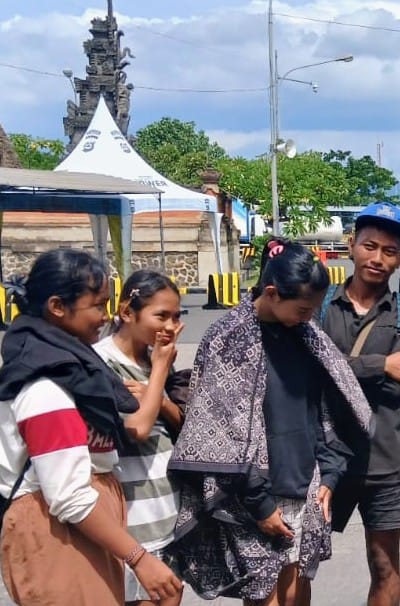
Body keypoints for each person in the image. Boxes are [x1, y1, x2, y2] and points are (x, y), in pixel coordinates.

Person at [168, 238, 371, 605]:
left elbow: (324, 409)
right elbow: (219, 432)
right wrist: (260, 506)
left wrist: (330, 472)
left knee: (297, 592)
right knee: (264, 598)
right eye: (303, 309)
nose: (308, 317)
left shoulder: (308, 338)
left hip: (303, 483)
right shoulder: (229, 339)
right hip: (251, 493)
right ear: (273, 293)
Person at [0, 249, 182, 605]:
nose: (105, 317)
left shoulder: (73, 370)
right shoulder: (46, 388)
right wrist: (140, 559)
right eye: (97, 306)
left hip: (83, 530)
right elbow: (68, 496)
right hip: (58, 532)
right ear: (57, 307)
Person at [319, 203, 400, 606]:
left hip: (385, 461)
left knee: (385, 568)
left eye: (389, 251)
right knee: (295, 564)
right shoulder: (319, 304)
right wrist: (382, 364)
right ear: (351, 246)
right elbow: (315, 369)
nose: (377, 258)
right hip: (320, 456)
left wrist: (339, 366)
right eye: (370, 246)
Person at [95, 270, 186, 606]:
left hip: (166, 513)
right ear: (126, 312)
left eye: (177, 316)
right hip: (132, 524)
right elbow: (137, 429)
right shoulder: (103, 362)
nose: (170, 326)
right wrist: (161, 370)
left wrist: (158, 393)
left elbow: (181, 425)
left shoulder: (155, 358)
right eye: (160, 315)